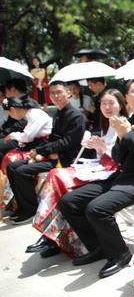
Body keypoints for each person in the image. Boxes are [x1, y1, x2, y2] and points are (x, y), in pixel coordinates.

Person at [58, 79, 134, 278]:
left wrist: (127, 135)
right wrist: (120, 134)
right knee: (69, 202)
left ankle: (120, 253)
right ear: (127, 98)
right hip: (122, 176)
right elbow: (117, 156)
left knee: (96, 209)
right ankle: (98, 246)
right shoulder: (129, 119)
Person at [29, 89, 126, 258]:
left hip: (112, 172)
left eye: (112, 103)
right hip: (100, 167)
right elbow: (103, 153)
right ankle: (53, 234)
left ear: (121, 104)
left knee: (57, 178)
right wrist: (96, 146)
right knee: (56, 177)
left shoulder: (122, 124)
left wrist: (103, 148)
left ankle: (52, 234)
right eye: (104, 103)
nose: (107, 107)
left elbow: (122, 155)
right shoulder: (105, 124)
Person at [6, 82, 85, 224]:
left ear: (68, 93)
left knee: (22, 171)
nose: (56, 95)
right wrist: (37, 151)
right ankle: (22, 206)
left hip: (64, 158)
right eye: (52, 93)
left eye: (59, 92)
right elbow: (53, 138)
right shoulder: (59, 113)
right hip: (52, 154)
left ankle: (31, 209)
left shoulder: (76, 116)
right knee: (12, 167)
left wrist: (41, 150)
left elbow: (67, 142)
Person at [0, 97, 52, 164]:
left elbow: (27, 137)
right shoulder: (30, 113)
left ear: (12, 110)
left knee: (13, 166)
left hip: (42, 146)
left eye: (9, 114)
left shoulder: (34, 114)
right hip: (35, 143)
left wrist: (12, 135)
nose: (11, 116)